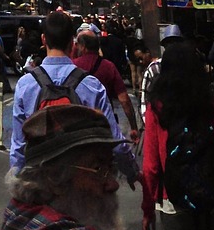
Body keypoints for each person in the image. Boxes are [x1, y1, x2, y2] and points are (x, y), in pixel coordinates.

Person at [0, 103, 184, 230]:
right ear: (53, 178)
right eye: (98, 168)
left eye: (112, 168)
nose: (113, 184)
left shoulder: (26, 215)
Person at [10, 10, 139, 184]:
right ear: (72, 42)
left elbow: (19, 146)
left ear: (43, 40)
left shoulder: (25, 85)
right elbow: (114, 140)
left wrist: (19, 183)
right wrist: (132, 172)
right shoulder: (91, 85)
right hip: (83, 186)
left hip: (41, 184)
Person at [142, 39, 214, 230]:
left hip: (173, 199)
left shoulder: (157, 108)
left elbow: (151, 166)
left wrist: (148, 208)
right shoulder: (211, 105)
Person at [72, 28, 139, 143]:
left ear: (83, 46)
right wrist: (133, 127)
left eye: (78, 45)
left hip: (79, 126)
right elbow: (124, 100)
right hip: (105, 123)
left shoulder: (72, 66)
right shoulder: (108, 66)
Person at [140, 24, 184, 118]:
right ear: (164, 46)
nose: (172, 46)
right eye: (169, 43)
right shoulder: (154, 69)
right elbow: (145, 100)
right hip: (161, 121)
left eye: (176, 43)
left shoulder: (187, 66)